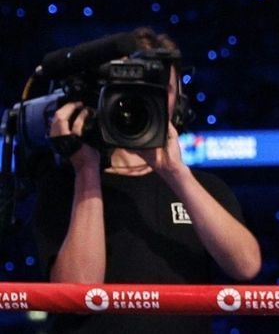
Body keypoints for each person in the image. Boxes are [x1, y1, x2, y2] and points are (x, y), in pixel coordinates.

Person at [32, 27, 262, 334]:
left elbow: (245, 265)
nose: (140, 98)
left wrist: (176, 173)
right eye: (127, 87)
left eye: (158, 88)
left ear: (178, 100)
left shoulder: (205, 187)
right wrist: (86, 172)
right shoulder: (63, 186)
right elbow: (78, 292)